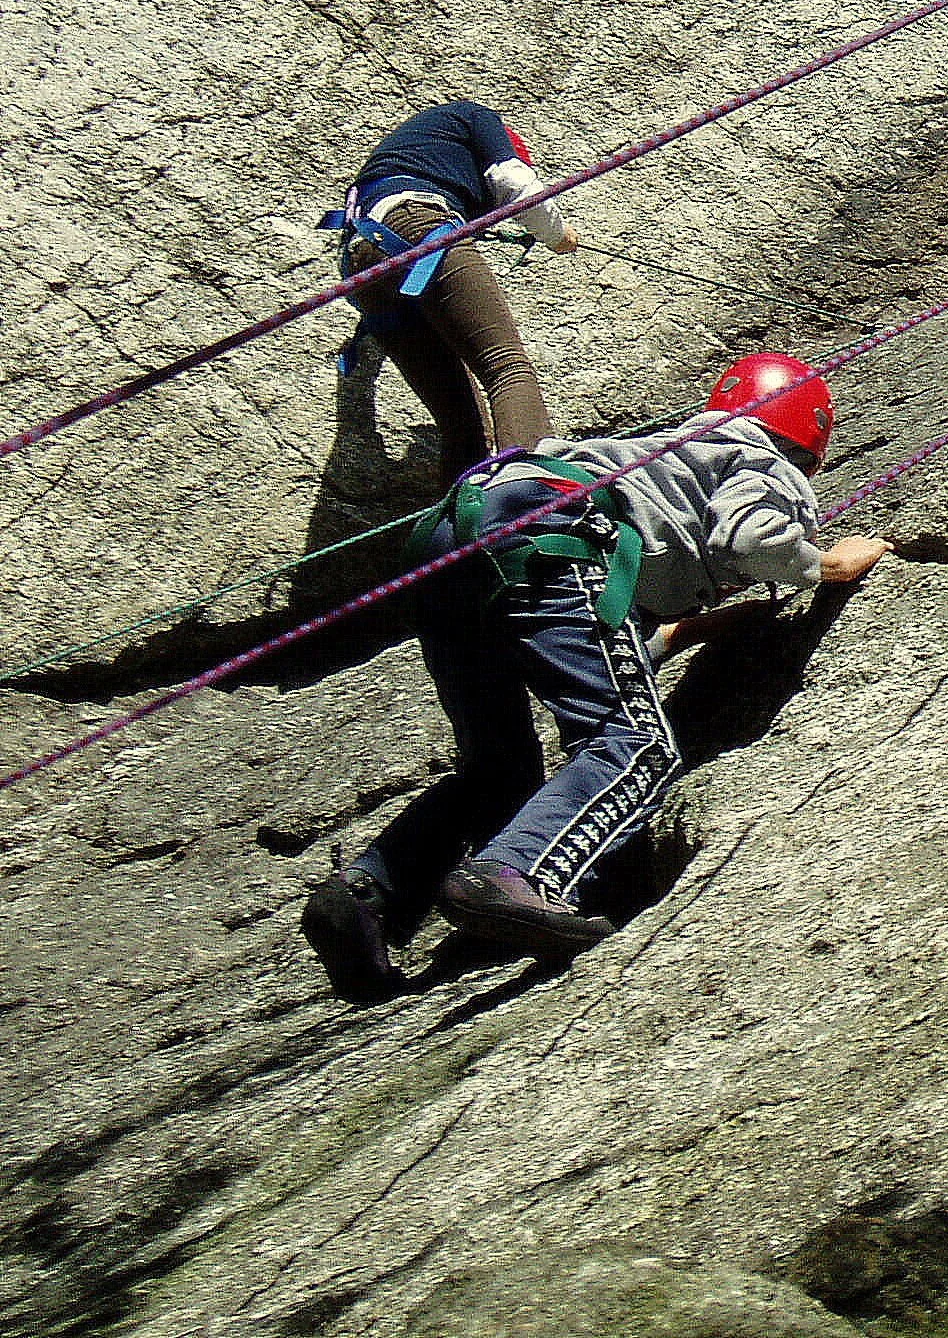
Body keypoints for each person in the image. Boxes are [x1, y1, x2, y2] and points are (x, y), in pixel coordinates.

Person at [300, 353, 893, 1000]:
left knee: (499, 771)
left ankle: (368, 894)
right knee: (635, 743)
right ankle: (514, 871)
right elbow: (749, 539)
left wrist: (699, 629)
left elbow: (604, 626)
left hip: (459, 536)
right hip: (550, 535)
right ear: (811, 442)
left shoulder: (677, 451)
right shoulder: (763, 459)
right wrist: (826, 564)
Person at [328, 100, 580, 483]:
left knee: (460, 419)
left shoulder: (415, 153)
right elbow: (514, 182)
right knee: (507, 369)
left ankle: (465, 527)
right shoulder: (473, 117)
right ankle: (533, 503)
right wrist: (557, 236)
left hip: (363, 263)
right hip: (417, 225)